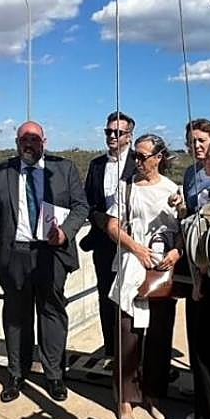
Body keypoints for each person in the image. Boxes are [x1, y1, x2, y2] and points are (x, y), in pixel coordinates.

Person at [0, 121, 89, 404]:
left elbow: (81, 207)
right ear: (16, 143)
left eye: (34, 139)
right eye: (23, 139)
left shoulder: (64, 169)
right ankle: (16, 374)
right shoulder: (2, 172)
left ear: (44, 141)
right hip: (14, 254)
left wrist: (65, 233)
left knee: (52, 314)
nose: (28, 144)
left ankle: (54, 376)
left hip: (52, 254)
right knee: (16, 317)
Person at [106, 133, 180, 419]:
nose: (137, 161)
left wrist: (175, 254)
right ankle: (125, 398)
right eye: (135, 156)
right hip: (132, 267)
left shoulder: (173, 189)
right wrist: (136, 248)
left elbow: (182, 230)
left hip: (161, 271)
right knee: (128, 336)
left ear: (158, 158)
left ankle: (153, 395)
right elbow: (113, 226)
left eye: (143, 156)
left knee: (159, 336)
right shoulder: (126, 190)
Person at [81, 112, 137, 361]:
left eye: (118, 132)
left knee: (132, 297)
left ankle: (134, 353)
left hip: (134, 243)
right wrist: (101, 221)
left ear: (129, 136)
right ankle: (112, 351)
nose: (112, 137)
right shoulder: (96, 165)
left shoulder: (139, 162)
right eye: (108, 132)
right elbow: (87, 203)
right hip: (104, 242)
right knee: (106, 296)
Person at [177, 138, 210, 419]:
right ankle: (206, 410)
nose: (204, 161)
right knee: (201, 351)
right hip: (202, 279)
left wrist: (201, 279)